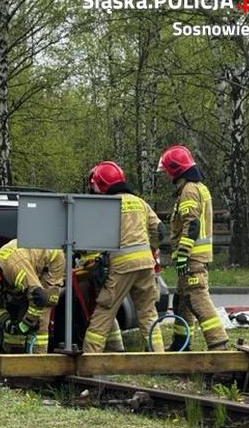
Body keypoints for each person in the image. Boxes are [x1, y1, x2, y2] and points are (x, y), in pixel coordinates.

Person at [82, 161, 165, 353]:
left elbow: (94, 239)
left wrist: (95, 260)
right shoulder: (140, 202)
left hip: (121, 267)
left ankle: (90, 357)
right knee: (148, 312)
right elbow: (160, 231)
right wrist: (151, 250)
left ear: (101, 184)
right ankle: (158, 357)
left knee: (105, 310)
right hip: (146, 266)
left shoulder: (105, 205)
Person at [157, 145, 228, 351]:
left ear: (175, 170)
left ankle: (218, 343)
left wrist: (183, 254)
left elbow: (192, 224)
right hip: (194, 256)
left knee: (197, 298)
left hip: (192, 257)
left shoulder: (189, 191)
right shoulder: (198, 188)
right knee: (181, 300)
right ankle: (181, 343)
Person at [0, 240, 65, 354]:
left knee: (40, 317)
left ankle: (37, 360)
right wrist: (7, 322)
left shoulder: (15, 270)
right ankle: (12, 356)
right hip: (25, 262)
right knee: (15, 312)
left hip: (51, 262)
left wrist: (26, 323)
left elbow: (38, 300)